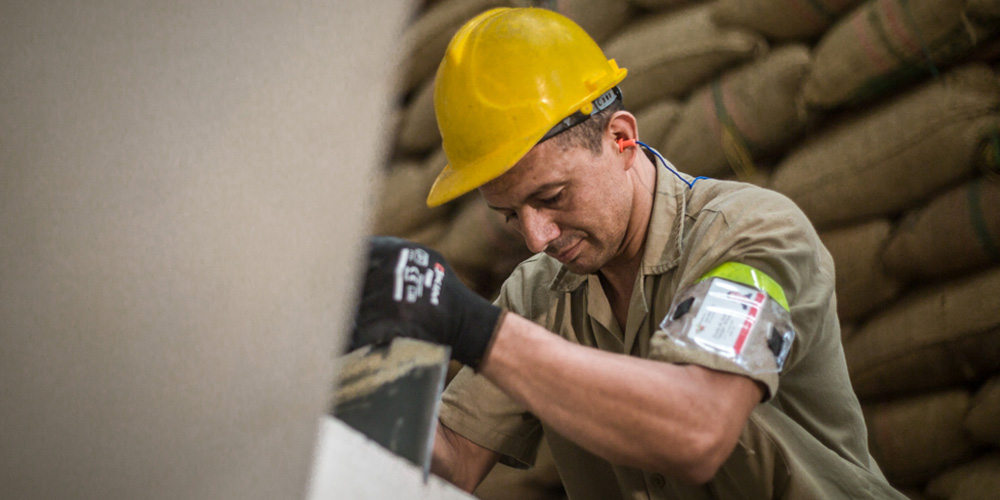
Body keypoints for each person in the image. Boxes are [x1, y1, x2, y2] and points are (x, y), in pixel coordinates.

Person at [352, 7, 906, 499]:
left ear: (621, 138)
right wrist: (356, 368)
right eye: (510, 215)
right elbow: (454, 461)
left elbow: (700, 429)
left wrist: (472, 327)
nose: (537, 237)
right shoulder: (537, 294)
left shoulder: (750, 234)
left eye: (552, 197)